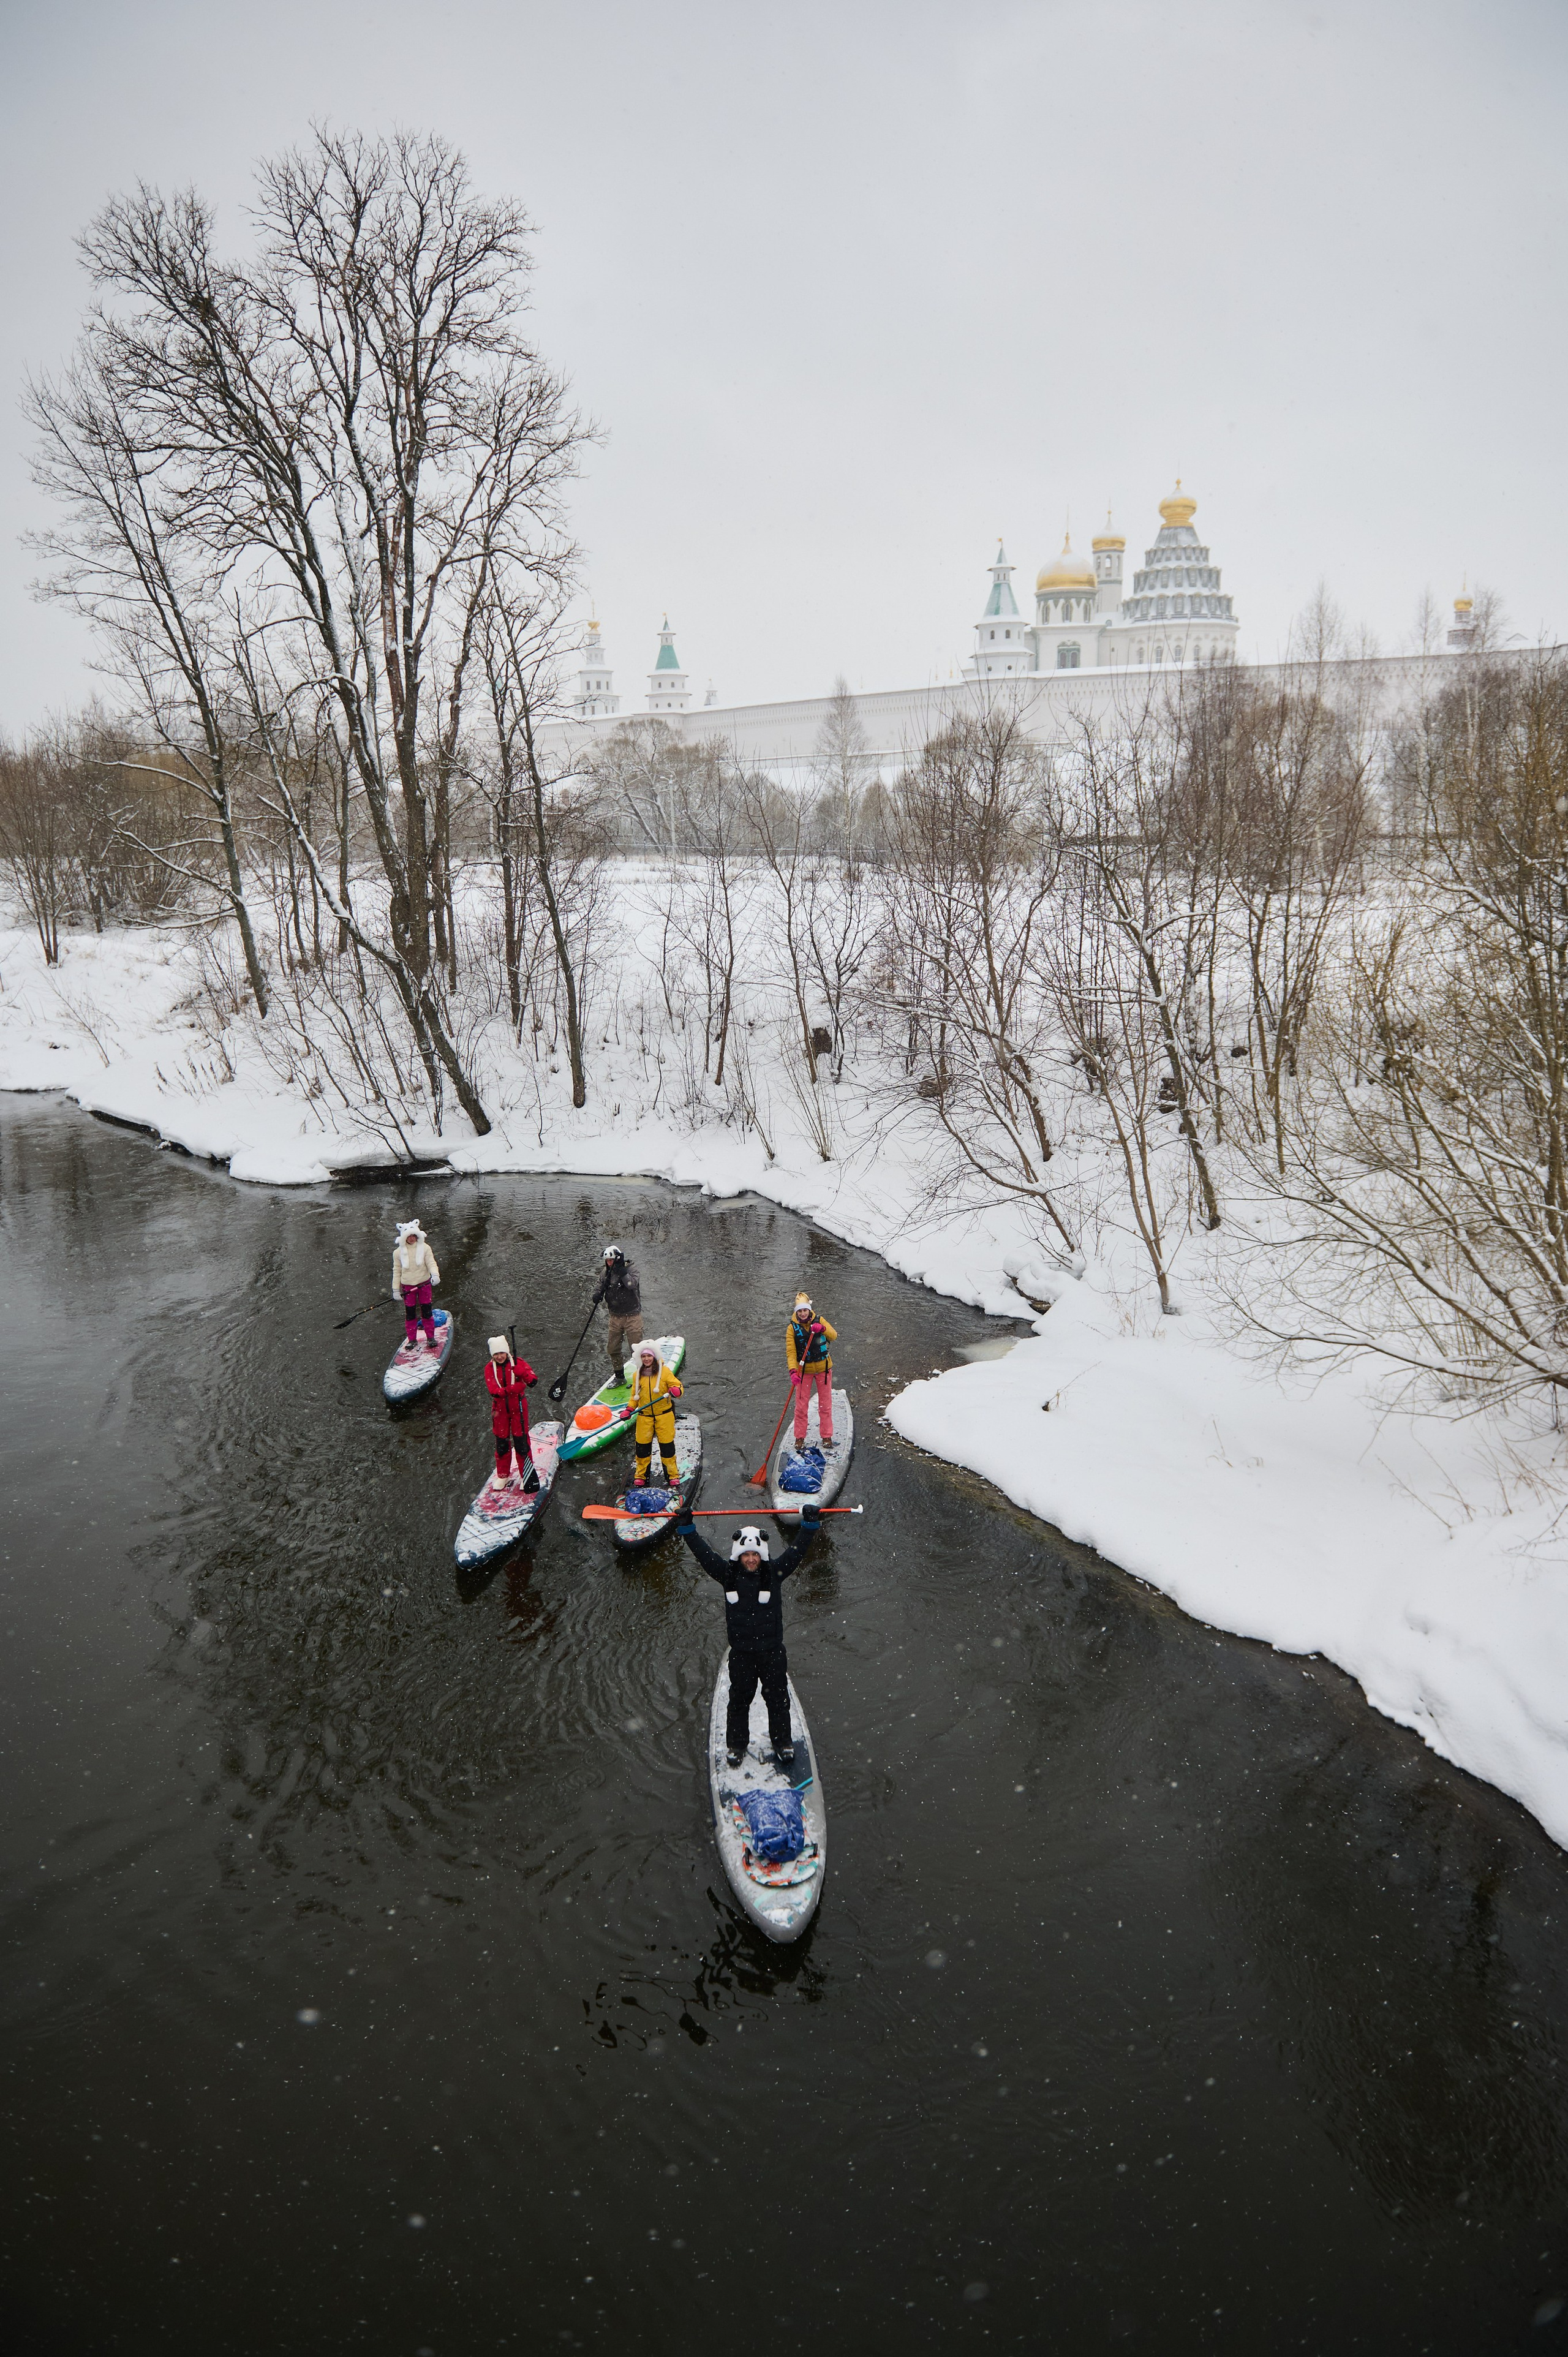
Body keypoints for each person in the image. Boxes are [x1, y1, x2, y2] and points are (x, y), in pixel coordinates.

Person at [677, 1507, 821, 1767]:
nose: (752, 1559)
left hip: (773, 1652)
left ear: (762, 1555)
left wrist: (809, 1525)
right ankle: (736, 1745)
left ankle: (782, 1742)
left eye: (756, 1554)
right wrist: (688, 1528)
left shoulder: (775, 1573)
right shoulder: (727, 1575)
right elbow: (704, 1555)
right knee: (739, 1701)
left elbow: (797, 1552)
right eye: (747, 1555)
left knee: (778, 1700)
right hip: (742, 1653)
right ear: (739, 1556)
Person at [628, 1336, 683, 1489]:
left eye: (649, 1356)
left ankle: (672, 1475)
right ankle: (641, 1476)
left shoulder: (665, 1372)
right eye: (644, 1356)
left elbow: (678, 1387)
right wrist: (629, 1409)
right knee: (642, 1449)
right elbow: (634, 1397)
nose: (646, 1359)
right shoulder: (637, 1375)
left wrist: (676, 1391)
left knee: (667, 1448)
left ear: (654, 1356)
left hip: (664, 1416)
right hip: (644, 1417)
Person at [485, 1333, 537, 1491]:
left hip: (519, 1410)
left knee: (522, 1444)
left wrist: (523, 1374)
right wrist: (514, 1388)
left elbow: (533, 1382)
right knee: (502, 1445)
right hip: (499, 1412)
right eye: (496, 1354)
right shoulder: (489, 1368)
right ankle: (503, 1476)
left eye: (502, 1353)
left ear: (507, 1352)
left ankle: (525, 1475)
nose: (499, 1357)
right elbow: (494, 1391)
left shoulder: (518, 1363)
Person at [786, 1292, 837, 1450]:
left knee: (825, 1405)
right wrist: (793, 1371)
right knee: (801, 1407)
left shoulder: (820, 1320)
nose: (802, 1314)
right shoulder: (791, 1329)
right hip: (804, 1372)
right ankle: (800, 1437)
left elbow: (834, 1336)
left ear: (809, 1310)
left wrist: (822, 1329)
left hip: (824, 1370)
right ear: (796, 1312)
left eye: (805, 1310)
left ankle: (827, 1436)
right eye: (799, 1311)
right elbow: (791, 1352)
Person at [592, 1243, 644, 1373]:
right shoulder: (605, 1273)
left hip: (632, 1316)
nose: (609, 1263)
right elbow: (599, 1286)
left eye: (611, 1260)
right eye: (607, 1261)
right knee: (613, 1349)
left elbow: (632, 1285)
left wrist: (622, 1273)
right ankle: (619, 1376)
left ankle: (643, 1375)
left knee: (636, 1350)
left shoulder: (632, 1269)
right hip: (615, 1317)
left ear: (618, 1259)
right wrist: (597, 1295)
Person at [392, 1218, 440, 1351]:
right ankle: (412, 1340)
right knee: (411, 1314)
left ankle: (430, 1337)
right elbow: (397, 1271)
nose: (412, 1238)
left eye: (414, 1236)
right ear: (405, 1237)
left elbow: (431, 1263)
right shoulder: (398, 1253)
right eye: (409, 1236)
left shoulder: (425, 1248)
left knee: (427, 1312)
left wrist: (435, 1275)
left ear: (417, 1236)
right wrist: (396, 1290)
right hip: (408, 1288)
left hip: (424, 1285)